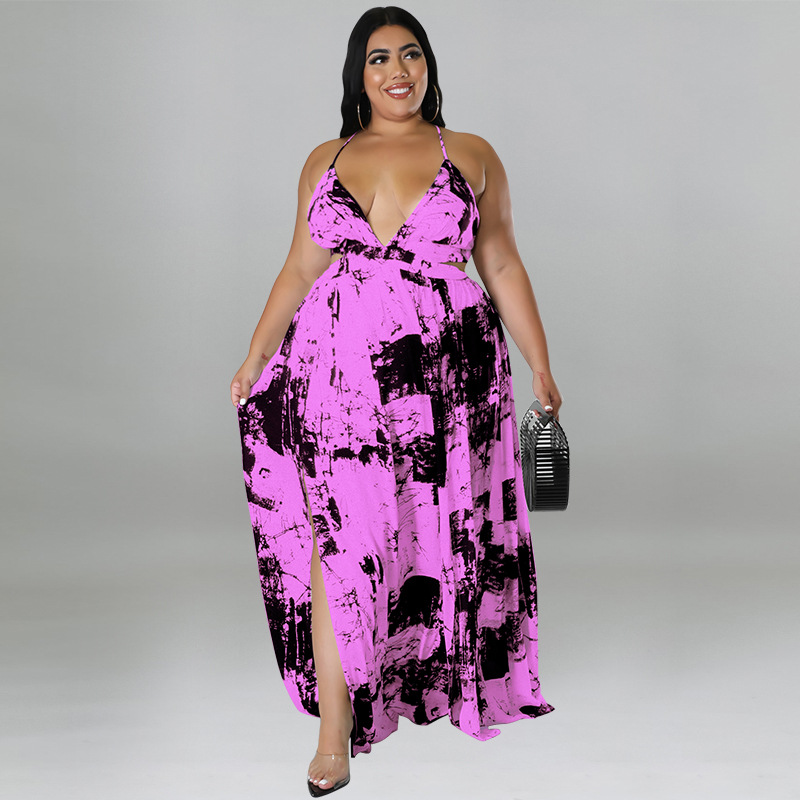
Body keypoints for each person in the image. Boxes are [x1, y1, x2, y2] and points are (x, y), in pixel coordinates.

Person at [229, 7, 562, 795]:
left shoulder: (469, 153)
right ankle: (334, 731)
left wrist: (541, 364)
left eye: (411, 54)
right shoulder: (326, 158)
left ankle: (433, 681)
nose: (397, 70)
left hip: (447, 379)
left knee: (434, 532)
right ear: (359, 75)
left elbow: (501, 263)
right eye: (379, 58)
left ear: (428, 66)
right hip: (335, 377)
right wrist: (255, 355)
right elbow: (300, 268)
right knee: (339, 539)